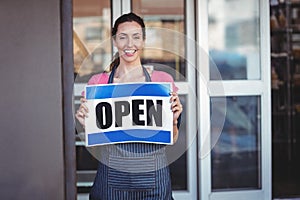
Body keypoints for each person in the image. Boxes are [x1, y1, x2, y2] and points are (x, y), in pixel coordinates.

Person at [75, 12, 183, 200]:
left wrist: (173, 121)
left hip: (153, 182)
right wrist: (87, 126)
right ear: (114, 41)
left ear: (143, 41)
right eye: (123, 37)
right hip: (111, 181)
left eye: (136, 37)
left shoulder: (161, 81)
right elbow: (93, 146)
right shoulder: (98, 84)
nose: (129, 44)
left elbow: (172, 139)